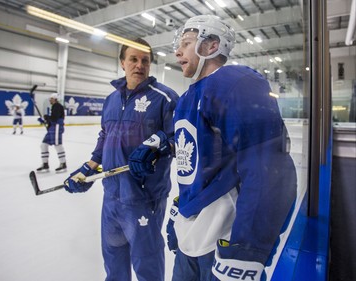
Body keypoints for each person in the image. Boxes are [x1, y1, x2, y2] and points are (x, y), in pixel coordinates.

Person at [129, 15, 297, 281]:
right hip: (192, 234)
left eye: (186, 43)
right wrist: (160, 147)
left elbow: (270, 171)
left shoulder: (234, 83)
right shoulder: (187, 97)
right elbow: (199, 153)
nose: (177, 51)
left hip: (224, 238)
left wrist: (247, 250)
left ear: (211, 46)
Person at [64, 38, 178, 281]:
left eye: (145, 60)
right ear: (122, 63)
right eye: (133, 59)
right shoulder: (111, 100)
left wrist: (156, 145)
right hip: (112, 197)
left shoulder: (165, 98)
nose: (139, 65)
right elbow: (105, 136)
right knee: (114, 263)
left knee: (147, 265)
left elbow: (179, 138)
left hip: (144, 198)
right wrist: (89, 167)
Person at [36, 93, 67, 173]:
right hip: (52, 128)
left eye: (51, 98)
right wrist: (45, 121)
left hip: (56, 127)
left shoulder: (57, 106)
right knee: (44, 145)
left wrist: (47, 117)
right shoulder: (54, 106)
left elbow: (54, 118)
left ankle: (63, 163)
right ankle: (45, 164)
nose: (50, 100)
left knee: (58, 145)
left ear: (55, 99)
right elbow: (52, 119)